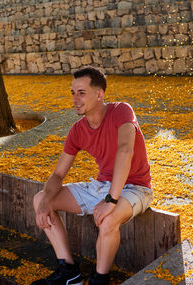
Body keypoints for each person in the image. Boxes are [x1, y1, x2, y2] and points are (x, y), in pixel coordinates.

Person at [32, 66, 153, 285]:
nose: (75, 99)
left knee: (108, 220)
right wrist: (44, 205)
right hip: (102, 186)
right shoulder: (77, 130)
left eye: (81, 92)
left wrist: (111, 200)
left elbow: (126, 150)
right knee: (41, 198)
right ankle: (69, 271)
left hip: (135, 187)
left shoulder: (121, 111)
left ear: (99, 94)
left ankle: (99, 280)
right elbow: (58, 174)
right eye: (72, 93)